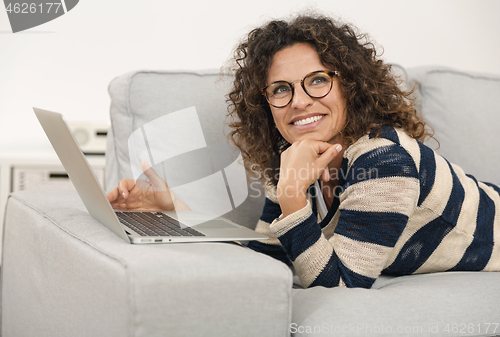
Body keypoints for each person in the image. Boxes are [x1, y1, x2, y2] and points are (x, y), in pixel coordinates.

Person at [107, 13, 500, 289]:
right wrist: (176, 210)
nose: (299, 101)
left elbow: (342, 285)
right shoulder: (295, 159)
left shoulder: (384, 162)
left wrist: (292, 198)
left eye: (317, 80)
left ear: (350, 86)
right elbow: (271, 256)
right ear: (265, 104)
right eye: (281, 88)